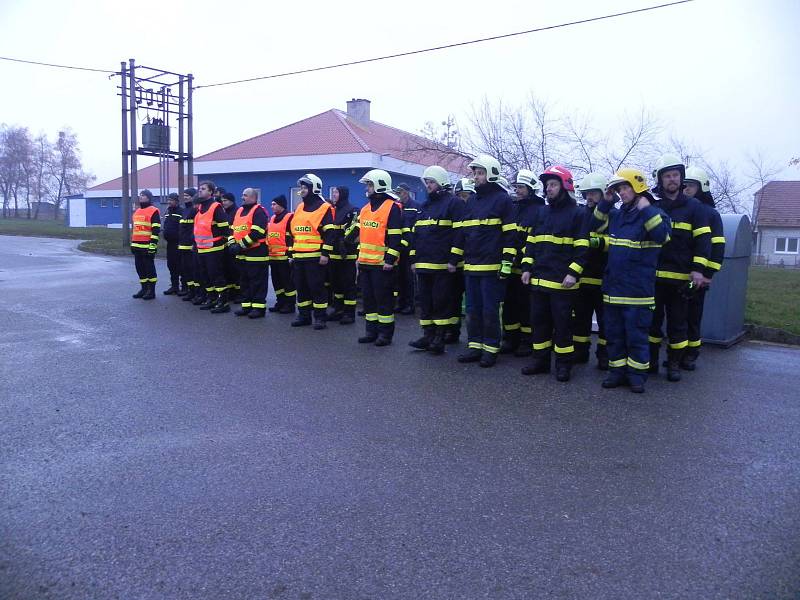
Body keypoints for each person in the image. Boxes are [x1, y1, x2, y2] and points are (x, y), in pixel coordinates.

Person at [590, 168, 671, 393]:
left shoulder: (655, 214)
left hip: (638, 292)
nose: (621, 192)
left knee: (636, 337)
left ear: (637, 188)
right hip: (613, 289)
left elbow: (662, 236)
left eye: (625, 188)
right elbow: (594, 225)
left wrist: (646, 210)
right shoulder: (617, 215)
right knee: (614, 336)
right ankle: (616, 372)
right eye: (618, 189)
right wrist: (606, 203)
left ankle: (636, 376)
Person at [520, 166, 588, 382]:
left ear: (565, 186)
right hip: (539, 281)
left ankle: (563, 365)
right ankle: (540, 361)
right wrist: (526, 268)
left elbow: (582, 248)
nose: (548, 189)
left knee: (563, 327)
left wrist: (572, 273)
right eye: (547, 185)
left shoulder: (578, 213)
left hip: (562, 284)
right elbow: (531, 243)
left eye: (553, 185)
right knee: (539, 324)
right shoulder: (542, 212)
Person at [649, 154, 711, 381]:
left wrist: (698, 270)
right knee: (652, 325)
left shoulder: (695, 207)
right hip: (654, 278)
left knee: (678, 325)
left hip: (682, 279)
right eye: (667, 176)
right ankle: (651, 361)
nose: (672, 179)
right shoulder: (654, 207)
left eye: (675, 175)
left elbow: (703, 241)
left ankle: (674, 364)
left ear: (681, 178)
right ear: (660, 180)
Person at [449, 154, 516, 368]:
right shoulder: (473, 201)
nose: (476, 177)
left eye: (480, 173)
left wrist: (506, 263)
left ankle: (490, 348)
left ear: (491, 174)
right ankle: (475, 346)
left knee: (489, 310)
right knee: (472, 309)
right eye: (475, 173)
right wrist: (454, 258)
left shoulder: (503, 200)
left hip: (492, 267)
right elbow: (463, 233)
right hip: (471, 266)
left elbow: (510, 235)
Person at [408, 165, 465, 354]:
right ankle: (428, 334)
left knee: (441, 301)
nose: (428, 186)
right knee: (425, 302)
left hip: (442, 264)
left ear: (441, 183)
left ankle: (439, 337)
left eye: (431, 182)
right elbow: (416, 235)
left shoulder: (453, 203)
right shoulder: (424, 206)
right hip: (424, 263)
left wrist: (454, 259)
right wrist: (413, 259)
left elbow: (459, 234)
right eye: (427, 182)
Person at [349, 169, 403, 346]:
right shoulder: (365, 209)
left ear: (379, 185)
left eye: (370, 184)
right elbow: (357, 231)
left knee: (384, 301)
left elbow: (396, 238)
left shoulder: (392, 208)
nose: (367, 188)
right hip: (365, 263)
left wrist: (390, 260)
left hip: (382, 265)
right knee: (369, 301)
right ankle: (371, 331)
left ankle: (385, 334)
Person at [682, 166, 725, 369]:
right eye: (685, 186)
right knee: (678, 316)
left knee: (693, 315)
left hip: (698, 278)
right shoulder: (683, 209)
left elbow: (717, 246)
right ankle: (679, 352)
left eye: (690, 186)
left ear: (701, 187)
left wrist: (708, 274)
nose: (686, 189)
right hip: (680, 273)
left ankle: (691, 353)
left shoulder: (710, 214)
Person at [500, 170, 545, 358]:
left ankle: (527, 341)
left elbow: (535, 241)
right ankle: (510, 339)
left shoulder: (539, 210)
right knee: (510, 304)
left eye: (521, 187)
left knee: (526, 306)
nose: (517, 190)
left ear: (531, 189)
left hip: (528, 268)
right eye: (516, 187)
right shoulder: (514, 207)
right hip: (511, 265)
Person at [572, 173, 610, 369]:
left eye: (594, 193)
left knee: (606, 321)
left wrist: (598, 242)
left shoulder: (615, 215)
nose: (589, 197)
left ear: (603, 194)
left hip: (604, 277)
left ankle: (604, 356)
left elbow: (618, 242)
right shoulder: (580, 215)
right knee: (581, 318)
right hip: (582, 276)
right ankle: (580, 352)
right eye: (587, 193)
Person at [290, 174, 336, 329]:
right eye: (301, 188)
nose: (302, 191)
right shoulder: (299, 207)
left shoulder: (324, 208)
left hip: (315, 257)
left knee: (317, 288)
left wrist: (325, 254)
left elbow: (330, 234)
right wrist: (291, 253)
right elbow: (293, 232)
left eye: (305, 187)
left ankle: (320, 318)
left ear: (313, 189)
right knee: (301, 288)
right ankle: (304, 316)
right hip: (299, 256)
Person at [228, 188, 269, 318]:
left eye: (245, 195)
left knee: (257, 282)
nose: (242, 197)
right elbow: (232, 230)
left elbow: (257, 233)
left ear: (253, 198)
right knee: (244, 281)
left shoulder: (258, 211)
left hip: (257, 253)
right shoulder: (239, 211)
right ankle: (246, 306)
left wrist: (239, 245)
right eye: (242, 195)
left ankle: (258, 308)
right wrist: (232, 244)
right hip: (242, 254)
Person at [193, 180, 231, 313]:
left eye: (203, 189)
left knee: (217, 276)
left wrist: (223, 242)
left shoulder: (216, 207)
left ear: (211, 192)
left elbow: (224, 228)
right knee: (205, 276)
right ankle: (212, 298)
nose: (200, 190)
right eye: (200, 188)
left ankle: (223, 302)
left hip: (214, 248)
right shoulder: (200, 208)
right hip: (201, 247)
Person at [327, 185, 358, 324]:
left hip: (347, 254)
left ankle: (349, 313)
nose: (334, 195)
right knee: (336, 284)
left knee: (348, 284)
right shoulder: (333, 210)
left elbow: (354, 230)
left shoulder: (352, 210)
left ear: (343, 194)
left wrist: (344, 242)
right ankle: (338, 309)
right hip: (334, 254)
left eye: (336, 192)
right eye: (333, 192)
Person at [267, 194, 296, 314]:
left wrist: (291, 255)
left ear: (281, 205)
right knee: (277, 282)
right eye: (272, 204)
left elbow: (293, 238)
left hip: (285, 257)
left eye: (274, 204)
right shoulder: (273, 218)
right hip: (273, 257)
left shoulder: (290, 217)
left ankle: (290, 305)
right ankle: (280, 302)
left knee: (287, 283)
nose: (272, 206)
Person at [130, 189, 160, 300]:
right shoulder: (137, 212)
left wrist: (153, 245)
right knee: (140, 269)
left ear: (148, 198)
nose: (140, 197)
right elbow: (135, 230)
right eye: (140, 195)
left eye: (143, 195)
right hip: (137, 246)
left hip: (147, 246)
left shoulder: (154, 211)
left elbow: (156, 229)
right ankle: (143, 289)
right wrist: (132, 244)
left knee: (149, 269)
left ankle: (151, 291)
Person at [394, 183, 419, 315]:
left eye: (401, 192)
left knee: (409, 279)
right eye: (398, 192)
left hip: (410, 247)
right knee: (399, 278)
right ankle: (401, 302)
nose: (399, 195)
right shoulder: (396, 207)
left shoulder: (415, 207)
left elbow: (416, 228)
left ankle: (410, 304)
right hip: (398, 247)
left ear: (407, 192)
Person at [220, 191, 242, 302]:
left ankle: (238, 293)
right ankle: (231, 292)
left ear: (232, 201)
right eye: (222, 200)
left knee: (235, 270)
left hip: (234, 245)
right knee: (227, 270)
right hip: (225, 245)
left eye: (225, 200)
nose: (223, 203)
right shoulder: (224, 212)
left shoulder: (237, 212)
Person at [161, 192, 183, 295]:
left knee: (180, 265)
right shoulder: (168, 211)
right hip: (170, 243)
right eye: (168, 200)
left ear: (176, 201)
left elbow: (182, 228)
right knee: (171, 265)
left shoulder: (181, 211)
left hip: (178, 243)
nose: (169, 202)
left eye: (171, 200)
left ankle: (184, 287)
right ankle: (174, 286)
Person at [178, 187, 198, 300]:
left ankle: (195, 292)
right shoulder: (184, 210)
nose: (185, 198)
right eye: (184, 196)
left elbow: (195, 229)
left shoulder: (194, 210)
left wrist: (193, 243)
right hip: (183, 245)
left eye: (188, 196)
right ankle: (189, 291)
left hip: (191, 246)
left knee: (193, 270)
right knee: (186, 270)